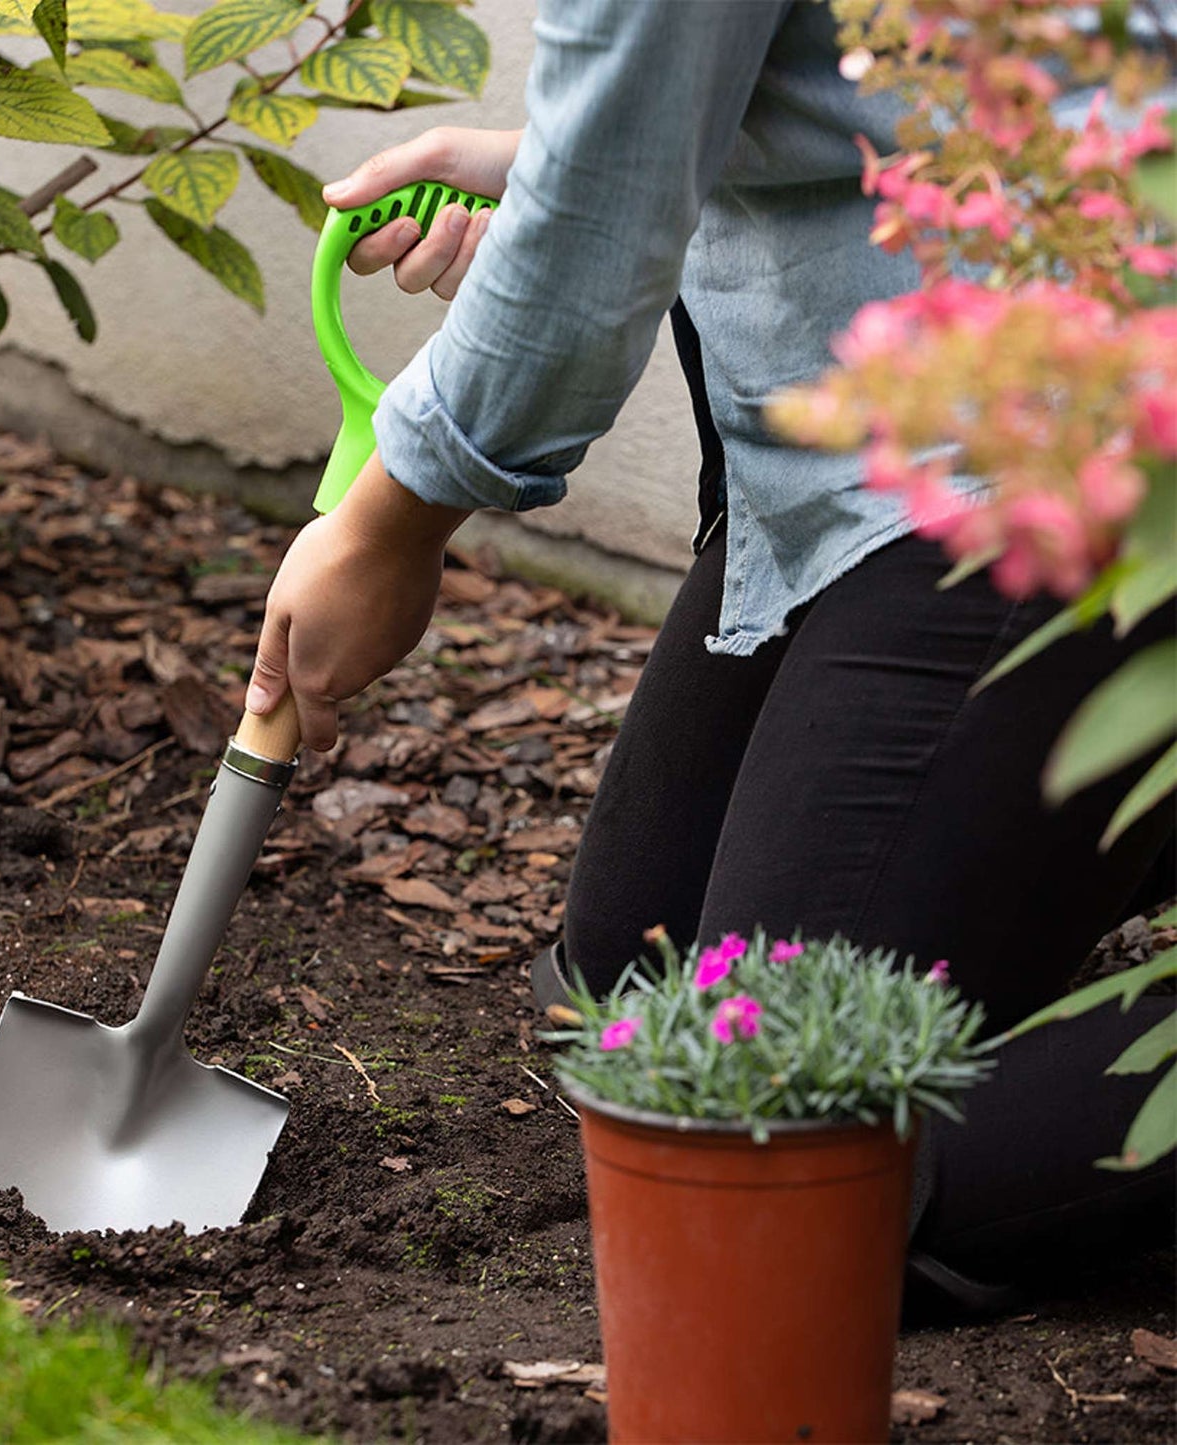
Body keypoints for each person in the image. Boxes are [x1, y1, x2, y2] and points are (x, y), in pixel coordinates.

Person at [245, 1, 1175, 1304]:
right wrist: (582, 149)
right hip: (900, 396)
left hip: (1080, 428)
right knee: (635, 1001)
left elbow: (600, 225)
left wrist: (392, 522)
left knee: (765, 1153)